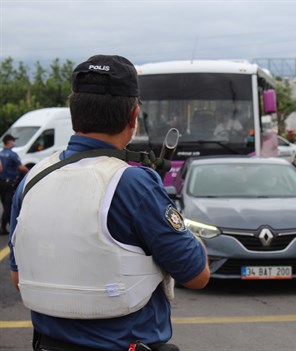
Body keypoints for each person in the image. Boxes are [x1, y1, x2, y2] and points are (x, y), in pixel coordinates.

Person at [9, 54, 210, 351]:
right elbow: (196, 275)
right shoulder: (134, 183)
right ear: (133, 116)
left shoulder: (32, 181)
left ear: (74, 110)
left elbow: (18, 277)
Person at [0, 134, 28, 234]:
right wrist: (30, 172)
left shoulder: (1, 153)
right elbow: (21, 168)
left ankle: (5, 223)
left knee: (4, 203)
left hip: (2, 183)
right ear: (9, 142)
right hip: (10, 183)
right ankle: (3, 227)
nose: (14, 143)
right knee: (9, 205)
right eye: (13, 141)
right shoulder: (13, 154)